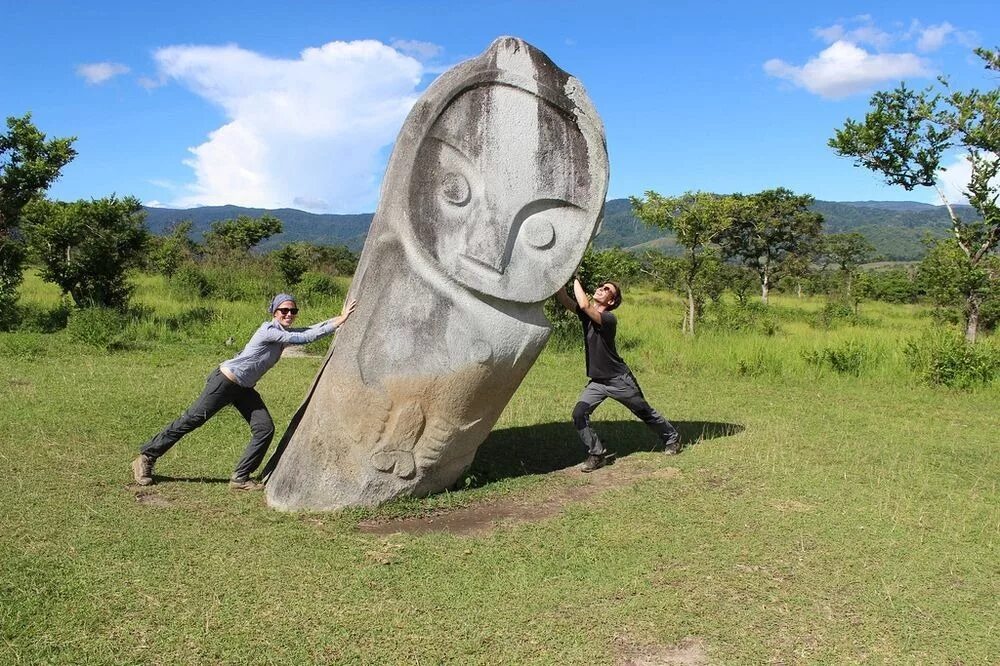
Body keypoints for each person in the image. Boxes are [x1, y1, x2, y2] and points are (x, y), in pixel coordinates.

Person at [131, 293, 357, 490]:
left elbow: (309, 329)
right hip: (225, 383)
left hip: (244, 389)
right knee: (192, 420)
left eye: (293, 311)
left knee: (264, 428)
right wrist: (340, 322)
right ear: (274, 312)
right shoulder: (269, 331)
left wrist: (339, 317)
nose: (289, 314)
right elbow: (303, 337)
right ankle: (146, 457)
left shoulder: (281, 333)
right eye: (284, 310)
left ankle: (240, 477)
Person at [556, 277, 680, 472]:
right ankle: (597, 454)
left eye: (606, 289)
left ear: (611, 302)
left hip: (619, 380)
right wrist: (561, 278)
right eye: (601, 286)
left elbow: (583, 304)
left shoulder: (608, 319)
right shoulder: (587, 316)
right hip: (597, 382)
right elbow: (565, 300)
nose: (601, 289)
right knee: (579, 413)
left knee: (644, 413)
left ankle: (672, 438)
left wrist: (575, 278)